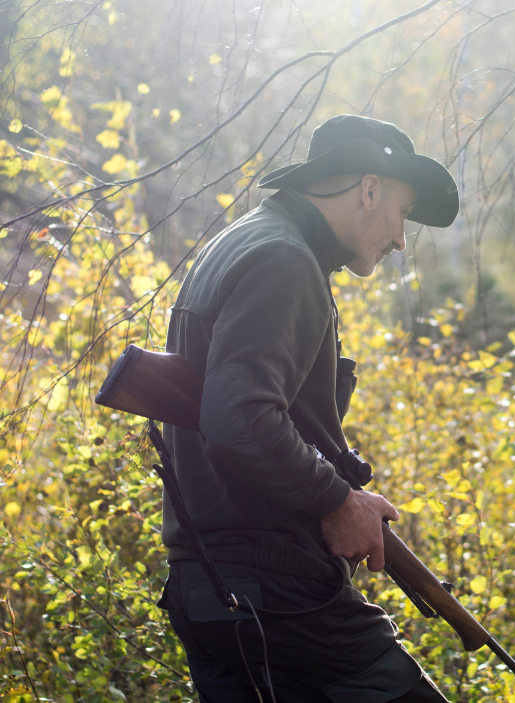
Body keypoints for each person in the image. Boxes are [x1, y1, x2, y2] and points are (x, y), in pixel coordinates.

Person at [161, 115, 459, 702]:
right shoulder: (284, 260)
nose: (402, 238)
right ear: (370, 189)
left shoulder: (246, 240)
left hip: (210, 586)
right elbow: (239, 419)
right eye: (402, 213)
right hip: (275, 588)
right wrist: (336, 499)